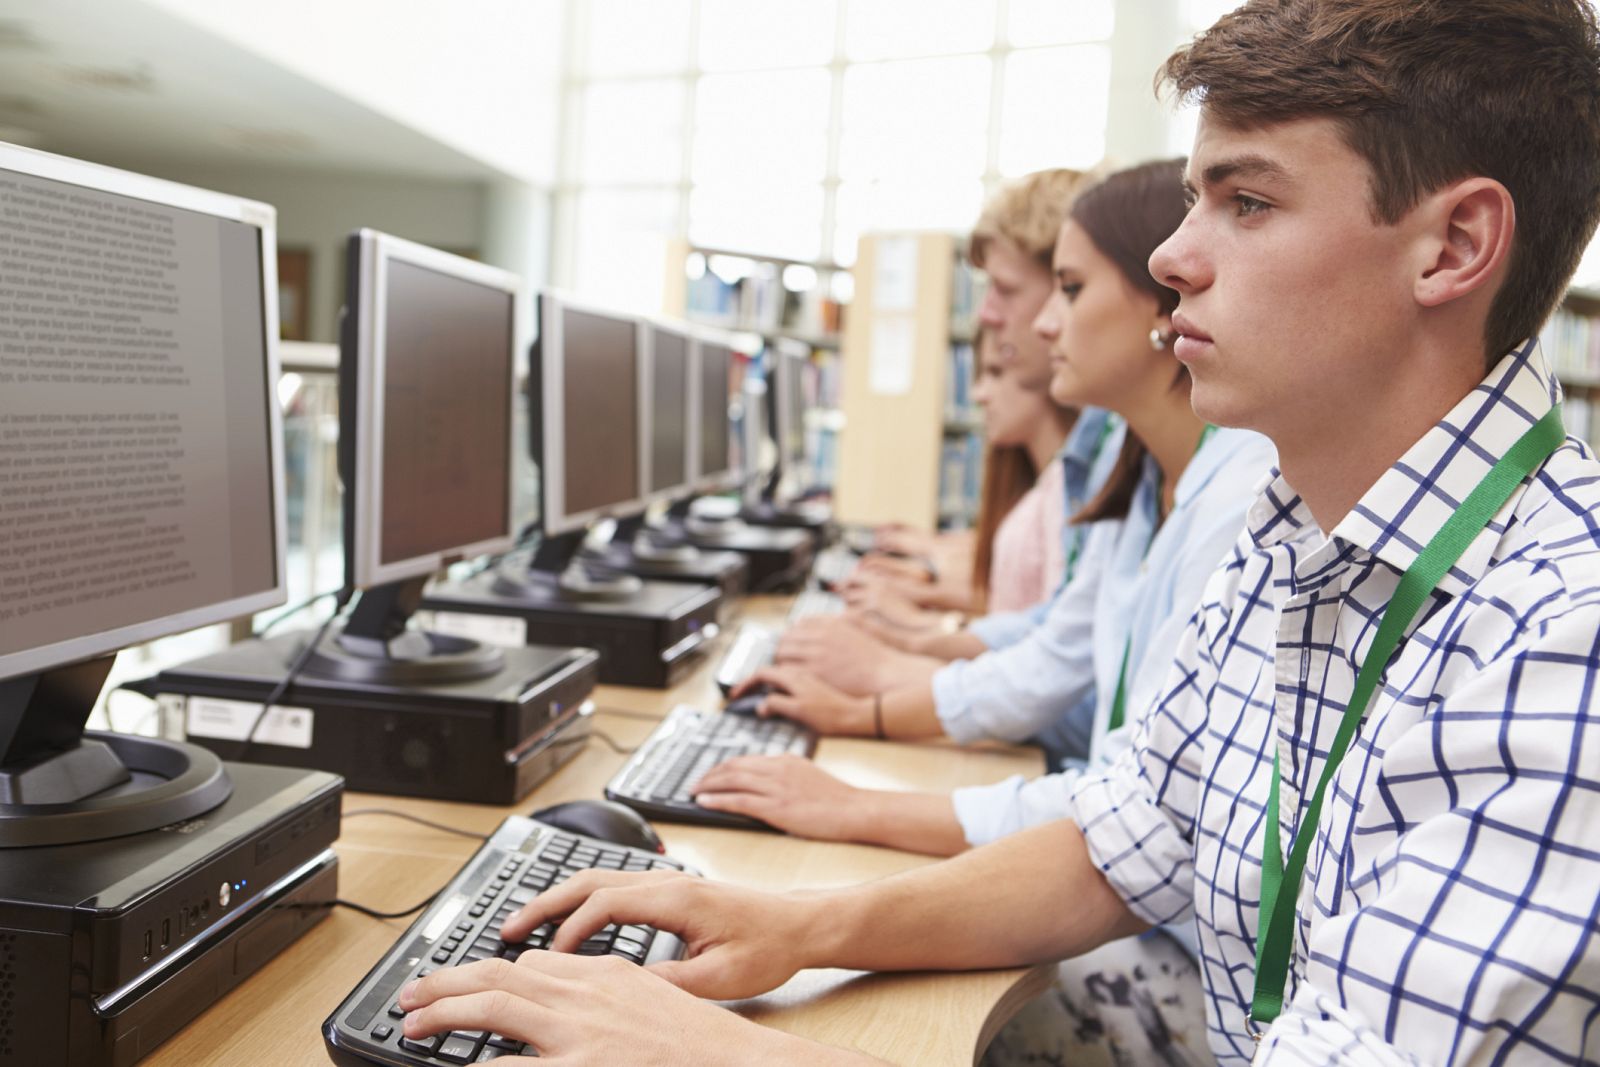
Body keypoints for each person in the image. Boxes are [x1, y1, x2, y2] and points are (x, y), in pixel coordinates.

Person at [393, 2, 1600, 1063]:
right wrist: (799, 924)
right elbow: (1126, 839)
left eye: (1247, 200)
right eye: (1194, 198)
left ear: (1450, 246)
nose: (1174, 257)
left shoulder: (1563, 643)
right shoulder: (1292, 532)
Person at [700, 160, 1276, 861]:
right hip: (1106, 835)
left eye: (1064, 289)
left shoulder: (1234, 498)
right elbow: (1059, 649)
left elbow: (1129, 798)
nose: (1033, 321)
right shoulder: (1143, 465)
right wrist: (884, 680)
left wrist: (863, 773)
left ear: (1164, 303)